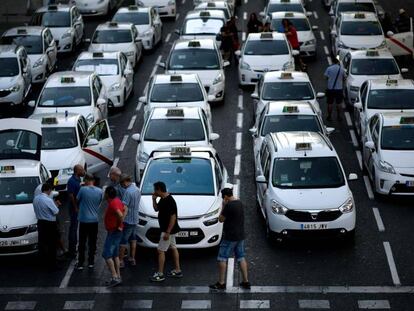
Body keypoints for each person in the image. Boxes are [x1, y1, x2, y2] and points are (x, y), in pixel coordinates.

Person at [209, 187, 250, 290]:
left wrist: (224, 206)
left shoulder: (229, 205)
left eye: (224, 197)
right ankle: (246, 281)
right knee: (241, 257)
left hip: (230, 236)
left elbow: (220, 219)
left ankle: (221, 283)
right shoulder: (239, 203)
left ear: (226, 197)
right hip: (240, 235)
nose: (224, 199)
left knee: (222, 258)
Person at [150, 181, 182, 282]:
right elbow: (156, 209)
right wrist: (154, 200)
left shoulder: (169, 201)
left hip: (167, 230)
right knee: (173, 247)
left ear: (159, 189)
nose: (154, 191)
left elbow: (173, 217)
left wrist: (167, 232)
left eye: (155, 189)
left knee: (160, 251)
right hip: (169, 229)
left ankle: (160, 274)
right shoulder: (163, 199)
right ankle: (177, 270)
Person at [75, 174, 103, 270]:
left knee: (82, 242)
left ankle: (81, 263)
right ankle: (91, 262)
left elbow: (77, 199)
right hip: (94, 220)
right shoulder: (100, 191)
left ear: (87, 180)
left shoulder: (82, 190)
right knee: (92, 242)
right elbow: (99, 202)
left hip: (83, 220)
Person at [102, 186, 127, 287]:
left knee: (106, 254)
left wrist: (120, 225)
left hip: (113, 232)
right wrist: (121, 224)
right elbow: (125, 208)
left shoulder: (113, 204)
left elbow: (120, 215)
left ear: (107, 194)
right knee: (115, 255)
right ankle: (118, 276)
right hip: (115, 232)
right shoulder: (117, 200)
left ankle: (114, 277)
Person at [33, 183, 60, 270]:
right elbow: (56, 212)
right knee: (52, 244)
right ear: (48, 190)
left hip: (40, 223)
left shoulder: (35, 199)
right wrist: (57, 205)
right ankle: (52, 264)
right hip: (50, 224)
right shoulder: (48, 200)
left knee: (42, 244)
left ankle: (43, 263)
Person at [119, 174, 141, 268]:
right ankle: (132, 258)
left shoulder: (128, 192)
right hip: (135, 218)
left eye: (122, 184)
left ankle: (120, 260)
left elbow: (125, 208)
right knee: (133, 240)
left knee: (123, 241)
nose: (122, 186)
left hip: (128, 220)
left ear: (124, 182)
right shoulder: (137, 190)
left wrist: (121, 221)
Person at [66, 164, 85, 258]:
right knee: (73, 228)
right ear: (77, 171)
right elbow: (71, 195)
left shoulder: (78, 180)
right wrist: (75, 207)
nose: (84, 171)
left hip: (77, 207)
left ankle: (73, 248)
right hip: (74, 209)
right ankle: (72, 250)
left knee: (75, 227)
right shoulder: (72, 181)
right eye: (82, 169)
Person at [324, 56, 345, 121]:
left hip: (331, 89)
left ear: (332, 62)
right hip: (339, 89)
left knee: (330, 103)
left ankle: (329, 116)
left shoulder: (329, 68)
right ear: (338, 62)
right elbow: (344, 78)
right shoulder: (341, 69)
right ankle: (339, 116)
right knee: (339, 103)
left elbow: (326, 77)